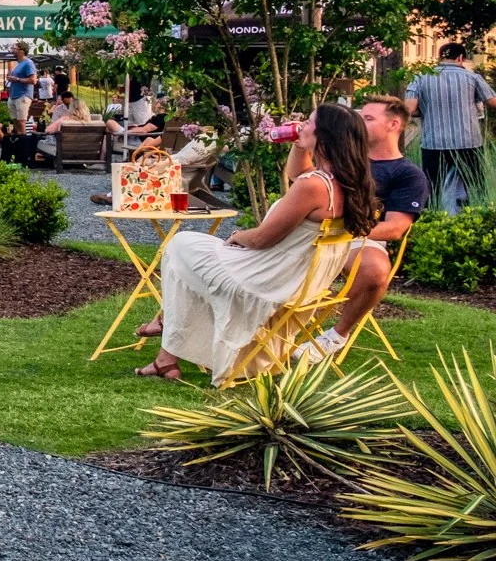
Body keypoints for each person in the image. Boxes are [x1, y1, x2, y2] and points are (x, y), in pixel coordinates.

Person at [134, 103, 379, 383]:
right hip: (299, 284)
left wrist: (237, 236)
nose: (302, 126)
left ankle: (167, 334)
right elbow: (297, 175)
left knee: (180, 246)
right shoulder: (346, 184)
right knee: (189, 263)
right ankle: (165, 356)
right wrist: (300, 147)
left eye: (309, 123)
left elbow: (263, 238)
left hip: (265, 281)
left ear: (325, 136)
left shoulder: (313, 186)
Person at [295, 94, 431, 364]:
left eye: (368, 118)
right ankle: (271, 329)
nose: (359, 122)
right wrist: (300, 146)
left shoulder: (407, 173)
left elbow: (393, 229)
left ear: (393, 125)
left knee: (376, 269)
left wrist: (344, 230)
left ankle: (334, 336)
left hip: (359, 237)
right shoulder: (345, 158)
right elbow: (300, 178)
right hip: (312, 234)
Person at [407, 43, 496, 210]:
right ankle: (472, 221)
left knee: (432, 190)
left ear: (440, 57)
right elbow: (492, 102)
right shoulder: (473, 77)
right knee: (474, 188)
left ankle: (433, 222)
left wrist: (426, 109)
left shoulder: (420, 78)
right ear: (460, 58)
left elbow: (409, 109)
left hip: (434, 143)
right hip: (468, 143)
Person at [6, 42, 38, 131]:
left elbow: (33, 80)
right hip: (13, 95)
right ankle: (18, 139)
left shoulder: (28, 63)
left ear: (22, 51)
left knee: (21, 121)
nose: (13, 51)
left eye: (15, 49)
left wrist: (17, 79)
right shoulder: (18, 64)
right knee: (15, 120)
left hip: (23, 95)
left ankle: (23, 141)